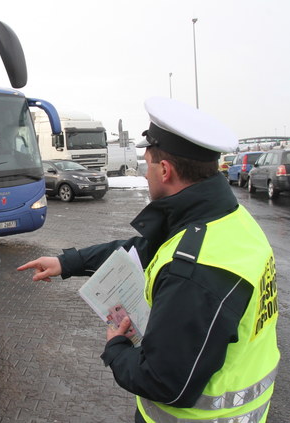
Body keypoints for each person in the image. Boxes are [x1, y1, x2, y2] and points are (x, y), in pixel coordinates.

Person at [17, 97, 279, 423]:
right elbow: (141, 249)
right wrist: (67, 263)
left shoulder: (194, 271)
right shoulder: (227, 219)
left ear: (165, 170)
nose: (144, 171)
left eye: (147, 163)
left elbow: (162, 380)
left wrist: (115, 347)